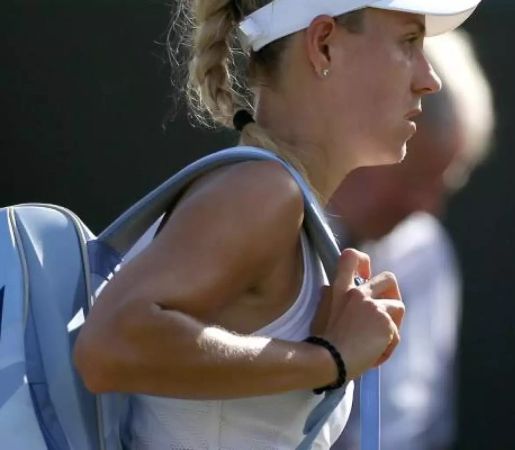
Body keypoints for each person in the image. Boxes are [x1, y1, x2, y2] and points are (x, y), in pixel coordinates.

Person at [71, 1, 481, 449]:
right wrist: (330, 359)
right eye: (408, 42)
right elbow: (108, 346)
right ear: (324, 46)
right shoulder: (263, 192)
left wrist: (326, 352)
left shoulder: (274, 197)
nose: (429, 78)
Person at [329, 30, 494, 450]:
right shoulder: (251, 221)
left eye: (445, 185)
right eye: (416, 179)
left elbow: (406, 422)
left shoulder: (421, 248)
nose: (428, 206)